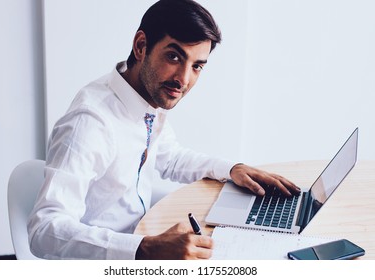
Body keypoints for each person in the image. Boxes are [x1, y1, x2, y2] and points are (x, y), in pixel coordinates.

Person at [28, 0, 300, 260]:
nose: (183, 79)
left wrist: (232, 169)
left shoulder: (145, 96)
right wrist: (145, 249)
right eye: (174, 56)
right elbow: (44, 229)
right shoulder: (89, 123)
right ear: (141, 46)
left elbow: (170, 157)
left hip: (142, 238)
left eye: (196, 66)